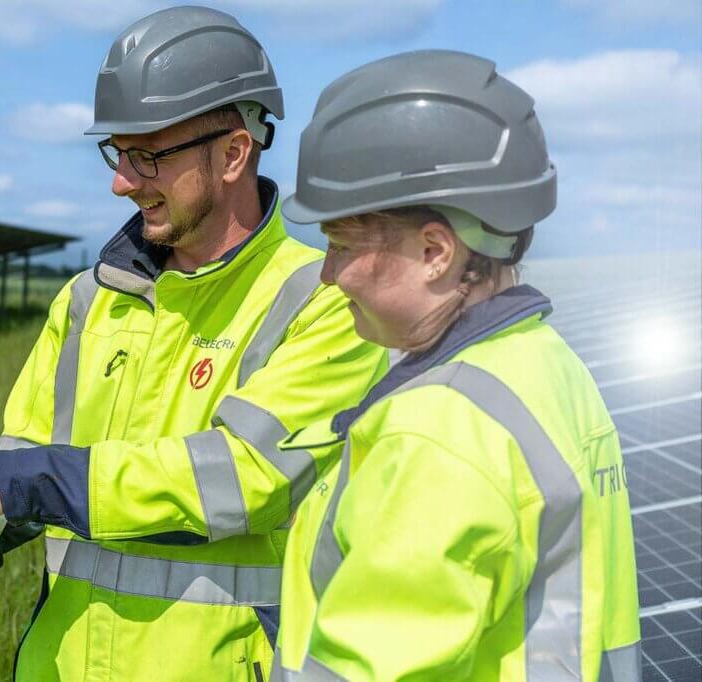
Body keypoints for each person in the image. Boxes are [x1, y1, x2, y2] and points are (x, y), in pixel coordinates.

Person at [0, 6, 387, 680]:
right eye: (116, 152)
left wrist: (15, 482)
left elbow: (242, 478)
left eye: (147, 155)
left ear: (233, 153)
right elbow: (23, 465)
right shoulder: (87, 300)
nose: (120, 181)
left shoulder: (322, 302)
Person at [270, 50, 641, 681]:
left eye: (338, 245)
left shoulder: (434, 432)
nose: (327, 275)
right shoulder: (547, 365)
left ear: (435, 251)